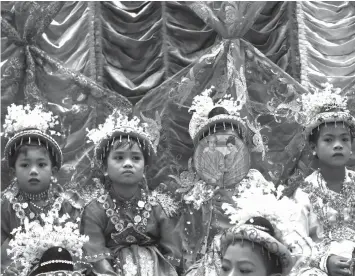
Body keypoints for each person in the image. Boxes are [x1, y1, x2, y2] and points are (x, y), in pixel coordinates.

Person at [81, 109, 182, 276]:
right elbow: (95, 253)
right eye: (119, 158)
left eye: (135, 158)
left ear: (145, 168)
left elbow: (173, 251)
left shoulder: (158, 207)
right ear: (105, 167)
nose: (128, 163)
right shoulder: (94, 209)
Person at [1, 104, 84, 276]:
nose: (33, 171)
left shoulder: (66, 204)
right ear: (13, 172)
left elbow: (77, 245)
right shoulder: (7, 205)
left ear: (53, 171)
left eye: (41, 164)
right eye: (25, 165)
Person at [287, 83, 355, 276]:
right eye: (328, 140)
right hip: (321, 269)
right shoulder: (304, 193)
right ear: (313, 147)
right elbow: (295, 243)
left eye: (344, 139)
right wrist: (326, 262)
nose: (338, 145)